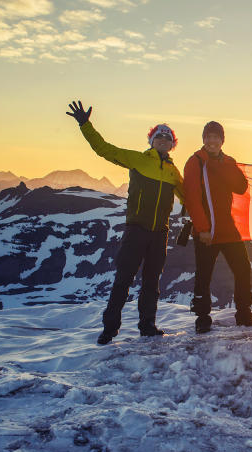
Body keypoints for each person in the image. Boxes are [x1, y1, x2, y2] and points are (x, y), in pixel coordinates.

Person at [66, 100, 185, 344]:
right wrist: (85, 125)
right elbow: (105, 149)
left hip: (159, 233)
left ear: (172, 144)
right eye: (159, 137)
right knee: (123, 280)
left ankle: (147, 327)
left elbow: (190, 198)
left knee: (152, 283)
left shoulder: (174, 172)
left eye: (168, 138)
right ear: (151, 141)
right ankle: (109, 329)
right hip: (137, 231)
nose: (163, 140)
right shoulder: (138, 160)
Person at [183, 121, 252, 334]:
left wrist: (227, 165)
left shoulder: (228, 162)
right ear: (203, 139)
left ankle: (244, 313)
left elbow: (240, 187)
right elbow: (191, 197)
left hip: (228, 227)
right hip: (207, 230)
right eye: (208, 137)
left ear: (222, 141)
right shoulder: (195, 162)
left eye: (216, 137)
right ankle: (202, 318)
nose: (212, 141)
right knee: (204, 274)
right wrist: (202, 228)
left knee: (242, 268)